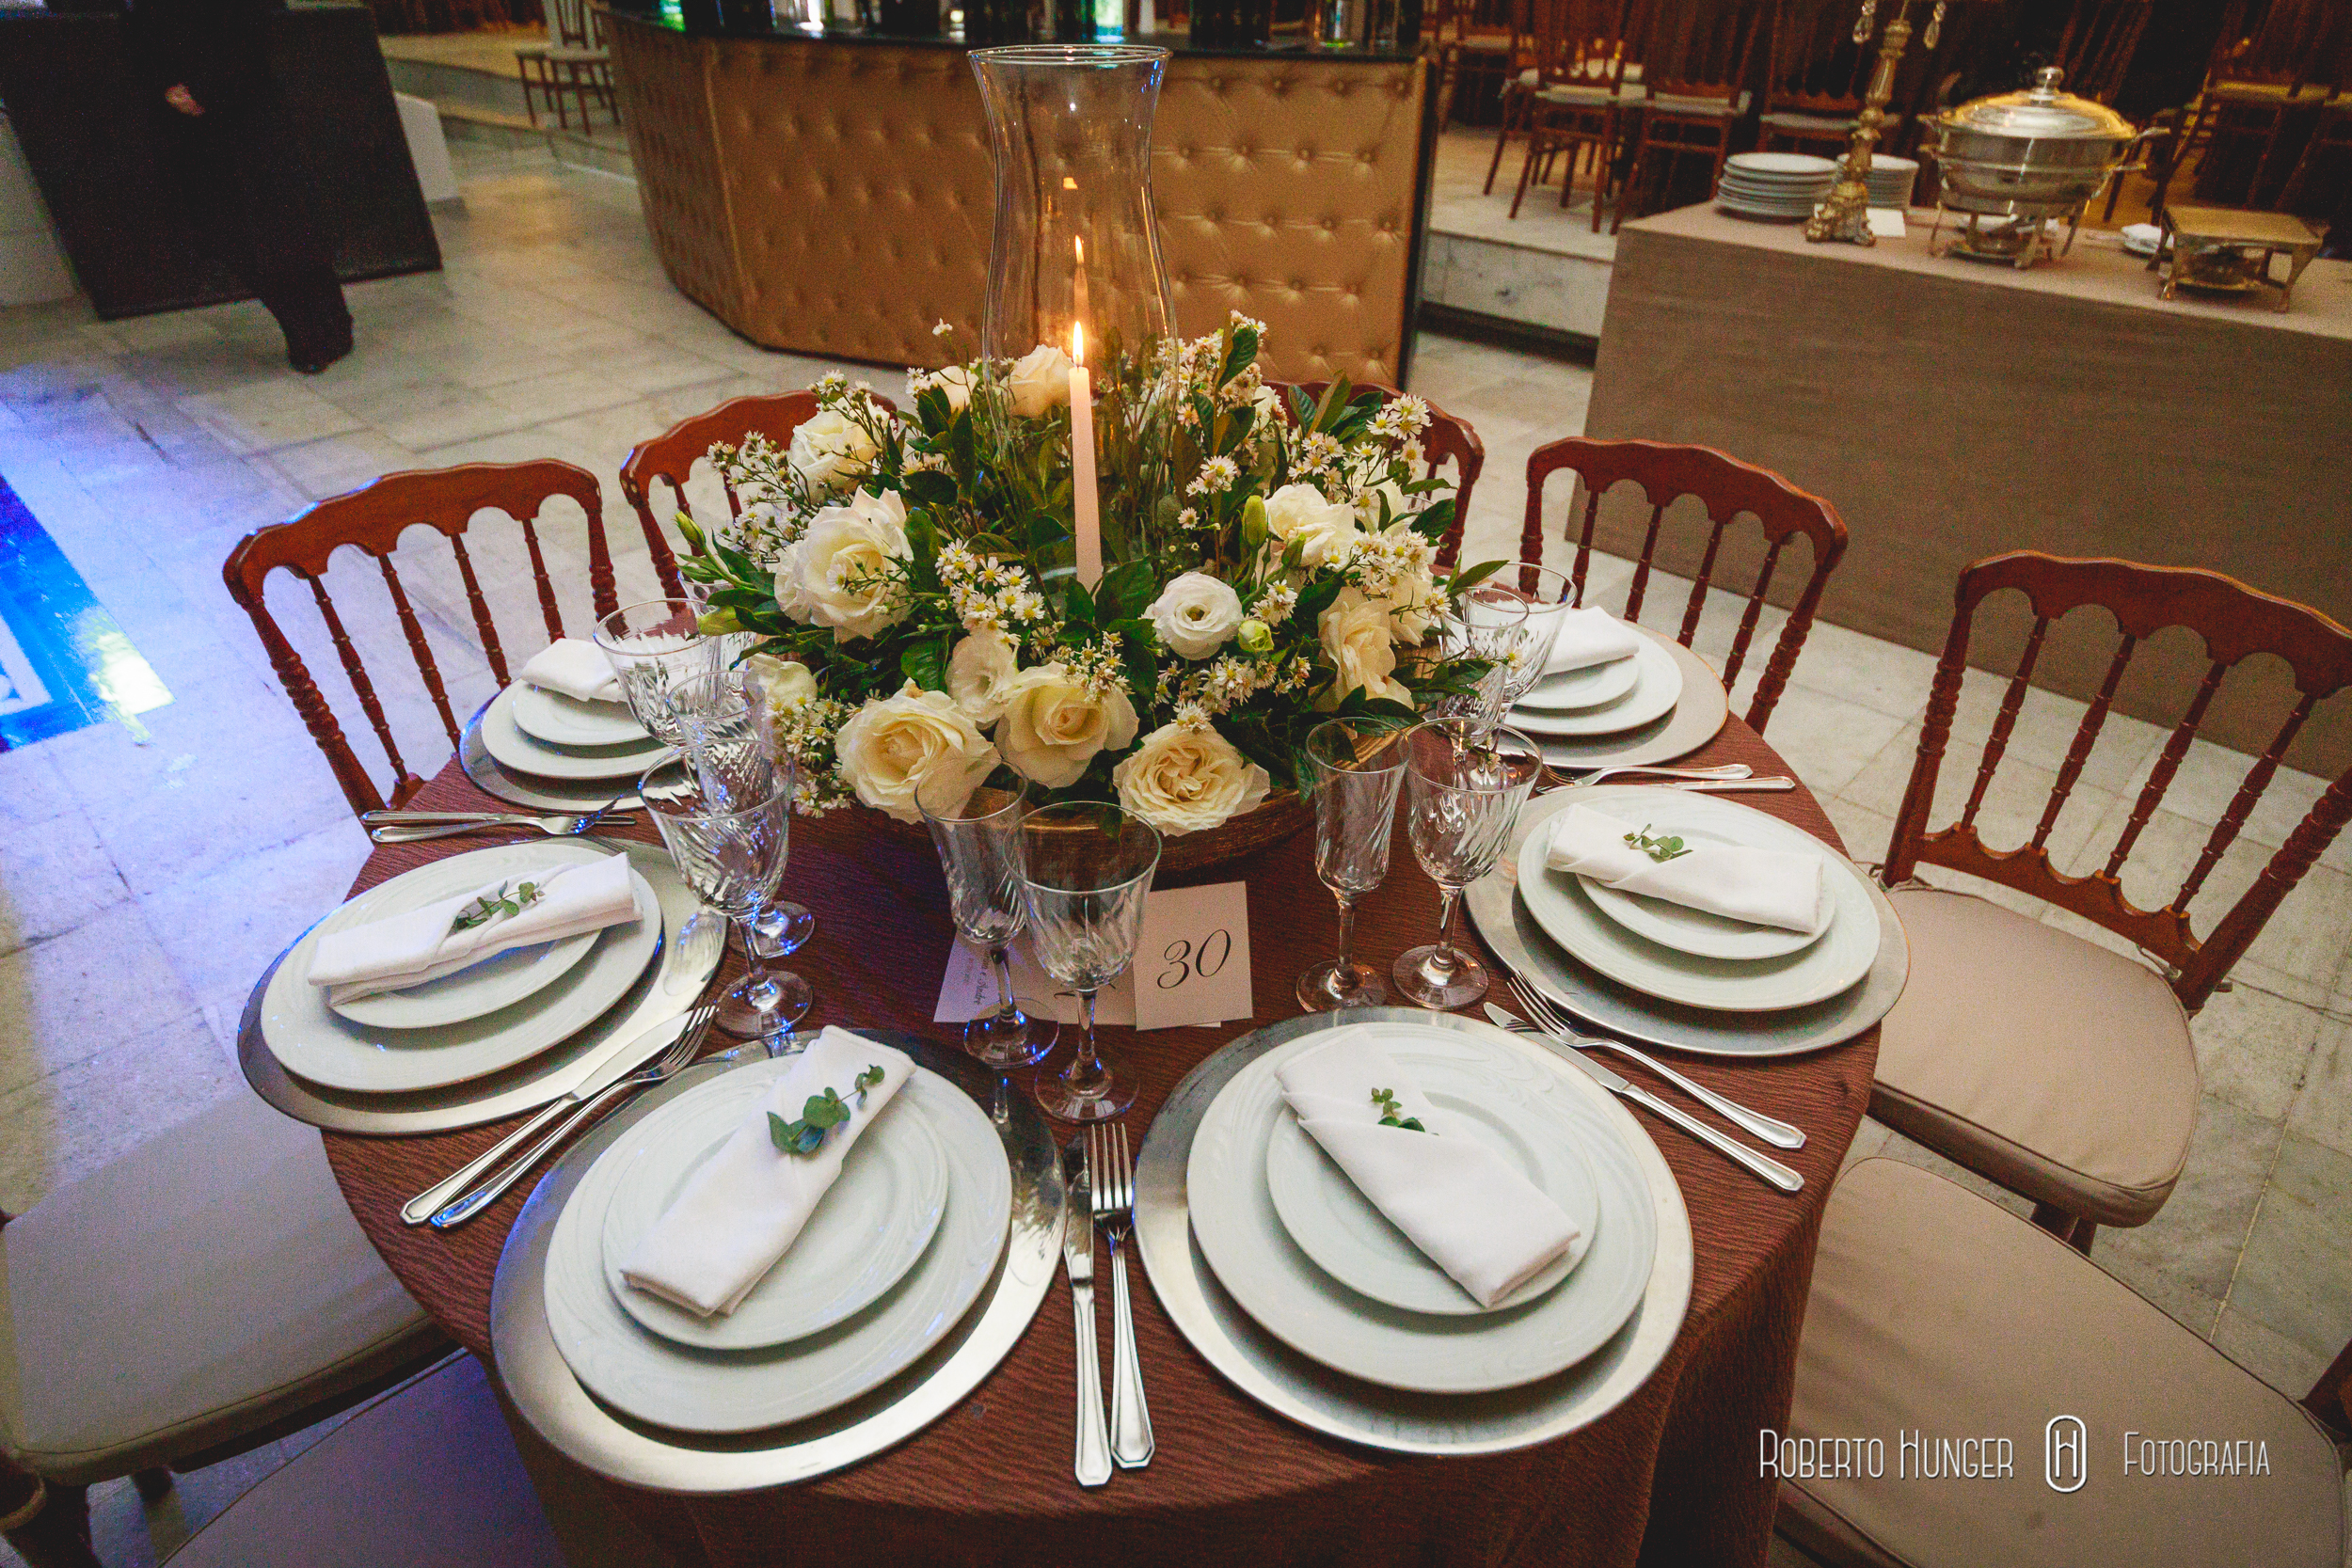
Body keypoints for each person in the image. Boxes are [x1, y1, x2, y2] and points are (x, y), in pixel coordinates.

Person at [125, 0, 354, 372]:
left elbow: (255, 29)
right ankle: (307, 327)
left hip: (249, 108)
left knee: (285, 226)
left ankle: (325, 325)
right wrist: (167, 87)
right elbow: (142, 32)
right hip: (189, 122)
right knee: (231, 233)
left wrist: (206, 90)